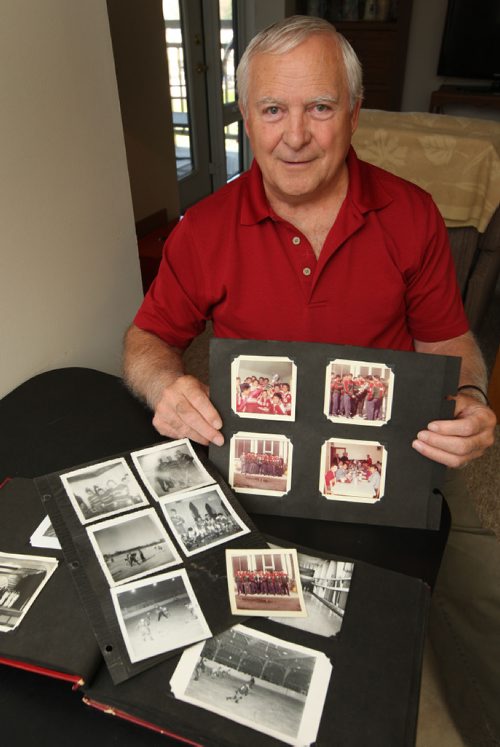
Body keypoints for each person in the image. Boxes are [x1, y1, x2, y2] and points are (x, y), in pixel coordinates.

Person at [122, 15, 498, 744]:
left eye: (319, 107)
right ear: (247, 117)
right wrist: (163, 385)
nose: (295, 135)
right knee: (228, 645)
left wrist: (475, 398)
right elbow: (147, 338)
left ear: (352, 113)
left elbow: (450, 339)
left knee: (459, 601)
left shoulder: (412, 214)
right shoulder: (202, 228)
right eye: (273, 109)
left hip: (389, 458)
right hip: (256, 463)